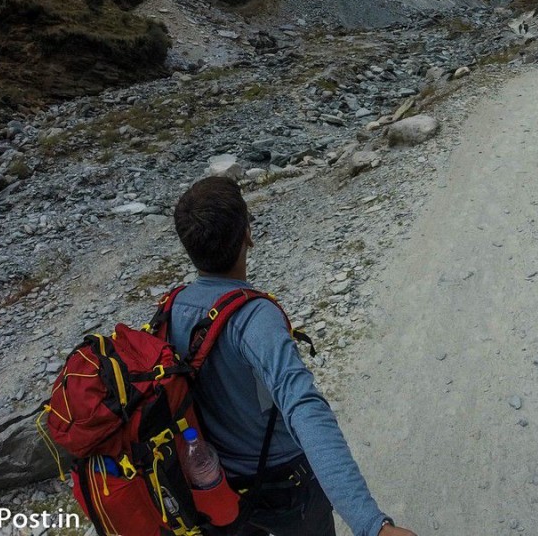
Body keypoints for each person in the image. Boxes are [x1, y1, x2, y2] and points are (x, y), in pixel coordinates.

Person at [170, 176, 417, 536]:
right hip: (285, 493)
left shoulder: (174, 307)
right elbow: (307, 413)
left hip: (216, 492)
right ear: (247, 236)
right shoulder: (256, 320)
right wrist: (371, 525)